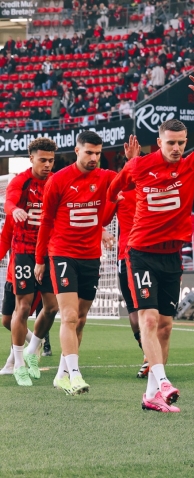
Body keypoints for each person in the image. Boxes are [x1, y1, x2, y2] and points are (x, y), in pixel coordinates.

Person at [107, 70, 194, 413]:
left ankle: (150, 396)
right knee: (147, 320)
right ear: (158, 142)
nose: (176, 148)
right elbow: (113, 188)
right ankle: (162, 381)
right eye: (170, 143)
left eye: (181, 143)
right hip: (141, 253)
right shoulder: (139, 166)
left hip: (172, 257)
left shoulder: (191, 165)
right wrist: (109, 213)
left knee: (165, 326)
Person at [34, 131, 117, 396]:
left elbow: (117, 198)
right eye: (89, 152)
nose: (94, 158)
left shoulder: (105, 178)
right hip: (62, 254)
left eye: (98, 153)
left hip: (91, 257)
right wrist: (40, 260)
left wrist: (133, 161)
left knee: (80, 319)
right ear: (77, 150)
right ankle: (75, 374)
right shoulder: (58, 181)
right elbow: (46, 222)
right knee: (68, 316)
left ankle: (61, 374)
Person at [4, 138, 60, 386]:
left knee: (52, 307)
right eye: (43, 160)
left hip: (50, 252)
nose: (48, 164)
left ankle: (32, 349)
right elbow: (9, 202)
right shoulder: (21, 181)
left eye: (51, 160)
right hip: (24, 252)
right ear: (32, 158)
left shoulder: (57, 182)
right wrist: (13, 209)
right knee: (22, 308)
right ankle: (17, 364)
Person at [107, 135, 146, 378]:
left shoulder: (125, 192)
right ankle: (150, 356)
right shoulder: (130, 192)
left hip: (136, 256)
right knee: (141, 311)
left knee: (139, 310)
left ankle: (148, 356)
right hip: (137, 255)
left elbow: (101, 219)